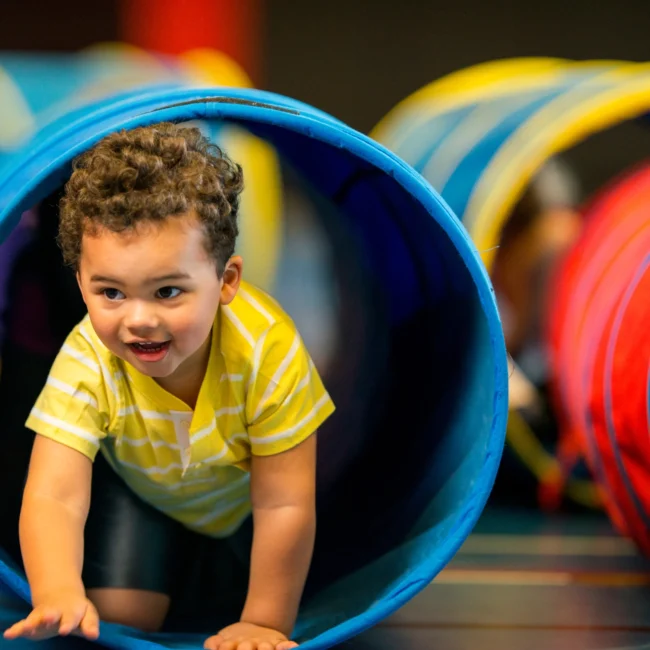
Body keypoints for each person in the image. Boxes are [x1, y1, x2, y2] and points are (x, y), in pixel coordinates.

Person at [3, 122, 335, 650]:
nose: (138, 320)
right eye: (110, 292)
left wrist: (265, 622)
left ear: (226, 281)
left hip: (243, 504)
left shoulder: (266, 352)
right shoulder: (88, 357)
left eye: (167, 291)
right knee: (120, 619)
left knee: (269, 594)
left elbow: (284, 504)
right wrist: (58, 589)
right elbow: (55, 493)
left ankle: (206, 576)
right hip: (144, 492)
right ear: (81, 283)